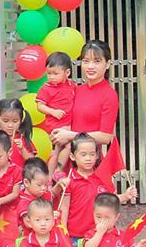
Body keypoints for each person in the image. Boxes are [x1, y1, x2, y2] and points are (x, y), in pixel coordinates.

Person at [59, 133, 137, 247]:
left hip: (99, 232)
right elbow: (64, 207)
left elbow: (110, 201)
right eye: (83, 154)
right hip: (75, 234)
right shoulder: (69, 180)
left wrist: (125, 196)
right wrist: (63, 230)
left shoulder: (102, 177)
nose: (88, 158)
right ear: (72, 156)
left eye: (92, 154)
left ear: (97, 155)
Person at [50, 40, 120, 168]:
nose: (90, 66)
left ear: (107, 64)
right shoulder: (76, 90)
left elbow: (105, 137)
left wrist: (70, 135)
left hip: (90, 163)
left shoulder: (109, 95)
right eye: (86, 61)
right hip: (68, 159)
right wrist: (61, 131)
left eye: (97, 61)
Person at [0, 98, 36, 168]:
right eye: (5, 121)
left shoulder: (22, 140)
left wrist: (22, 149)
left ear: (21, 120)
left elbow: (33, 163)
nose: (10, 125)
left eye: (15, 121)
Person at [16, 158, 55, 237]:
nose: (44, 188)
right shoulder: (24, 203)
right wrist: (51, 216)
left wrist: (59, 185)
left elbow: (53, 194)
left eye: (46, 184)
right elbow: (28, 224)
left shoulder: (43, 193)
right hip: (30, 239)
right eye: (39, 185)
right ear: (26, 182)